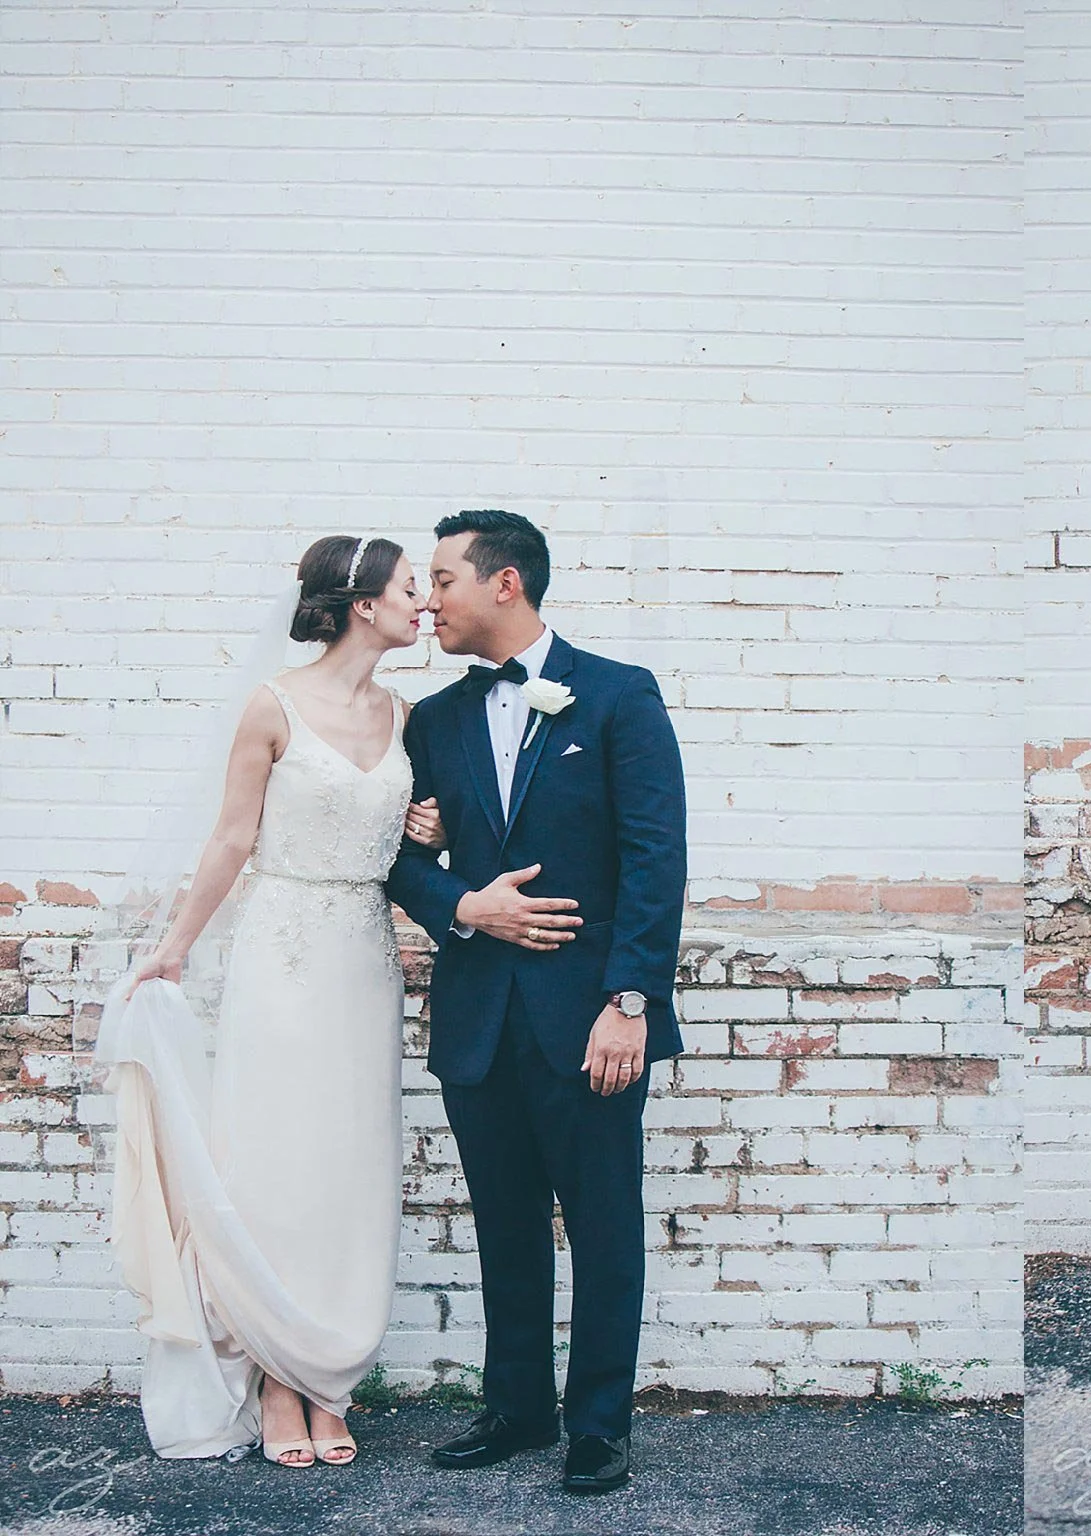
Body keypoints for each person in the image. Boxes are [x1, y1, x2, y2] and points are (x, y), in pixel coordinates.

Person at [106, 535, 441, 1464]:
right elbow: (228, 843)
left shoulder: (406, 714)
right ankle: (274, 1380)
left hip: (363, 964)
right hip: (281, 960)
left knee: (348, 1171)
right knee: (278, 1169)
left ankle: (325, 1377)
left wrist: (436, 825)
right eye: (412, 588)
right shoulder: (274, 704)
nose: (424, 604)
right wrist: (173, 949)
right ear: (363, 604)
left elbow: (414, 850)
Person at [386, 510, 687, 1496]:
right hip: (479, 1019)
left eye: (441, 578)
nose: (427, 599)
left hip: (591, 1018)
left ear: (504, 583)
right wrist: (461, 905)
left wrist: (630, 999)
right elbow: (396, 858)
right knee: (504, 1225)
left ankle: (598, 1425)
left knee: (602, 1227)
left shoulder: (615, 697)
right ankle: (517, 1409)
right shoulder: (430, 722)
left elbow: (654, 859)